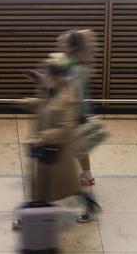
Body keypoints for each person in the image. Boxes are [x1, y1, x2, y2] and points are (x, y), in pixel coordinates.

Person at [18, 54, 101, 224]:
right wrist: (27, 102)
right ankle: (32, 215)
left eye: (46, 74)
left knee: (62, 186)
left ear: (55, 77)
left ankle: (29, 219)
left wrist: (44, 137)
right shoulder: (54, 90)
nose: (43, 77)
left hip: (58, 152)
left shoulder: (66, 98)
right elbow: (43, 103)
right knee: (47, 186)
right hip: (47, 148)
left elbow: (66, 129)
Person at [55, 29, 97, 186]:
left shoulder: (78, 68)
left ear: (72, 46)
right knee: (79, 145)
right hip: (77, 112)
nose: (59, 44)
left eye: (63, 42)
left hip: (74, 113)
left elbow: (73, 93)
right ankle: (87, 175)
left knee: (66, 143)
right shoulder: (71, 62)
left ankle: (65, 176)